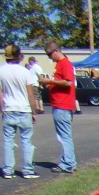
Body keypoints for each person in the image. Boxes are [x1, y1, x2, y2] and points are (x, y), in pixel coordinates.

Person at [0, 44, 41, 179]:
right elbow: (30, 94)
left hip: (9, 109)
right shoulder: (25, 72)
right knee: (26, 140)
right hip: (24, 109)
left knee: (8, 141)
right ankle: (28, 170)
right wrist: (34, 111)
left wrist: (2, 109)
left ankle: (8, 170)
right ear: (19, 56)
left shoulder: (0, 71)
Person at [40, 41, 77, 173]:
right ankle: (69, 162)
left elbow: (68, 83)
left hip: (62, 105)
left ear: (56, 51)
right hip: (60, 104)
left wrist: (50, 81)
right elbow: (61, 83)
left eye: (49, 54)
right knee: (64, 135)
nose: (49, 58)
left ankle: (68, 163)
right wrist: (49, 85)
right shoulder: (60, 64)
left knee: (64, 136)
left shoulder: (65, 63)